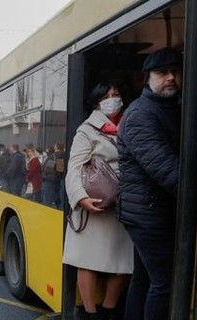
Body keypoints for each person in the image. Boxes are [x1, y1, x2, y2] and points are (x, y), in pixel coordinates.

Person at [117, 48, 183, 320]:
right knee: (164, 282)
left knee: (144, 279)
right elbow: (168, 170)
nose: (170, 77)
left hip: (150, 210)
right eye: (162, 72)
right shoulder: (140, 115)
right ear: (147, 78)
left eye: (175, 71)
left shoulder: (167, 108)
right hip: (148, 214)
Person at [63, 81, 133, 320]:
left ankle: (109, 310)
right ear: (97, 102)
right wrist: (81, 198)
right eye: (108, 96)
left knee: (124, 264)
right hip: (94, 204)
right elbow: (73, 168)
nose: (114, 99)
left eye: (117, 94)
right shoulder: (87, 130)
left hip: (124, 205)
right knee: (88, 261)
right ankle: (90, 314)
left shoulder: (130, 124)